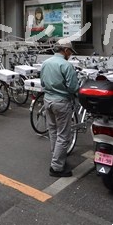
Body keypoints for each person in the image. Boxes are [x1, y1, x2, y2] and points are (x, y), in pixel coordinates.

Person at [39, 38, 79, 177]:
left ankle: (57, 159)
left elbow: (42, 82)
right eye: (70, 52)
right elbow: (74, 87)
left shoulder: (45, 63)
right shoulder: (66, 66)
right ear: (66, 50)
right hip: (61, 102)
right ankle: (56, 168)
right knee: (63, 135)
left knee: (53, 131)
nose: (70, 55)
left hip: (47, 100)